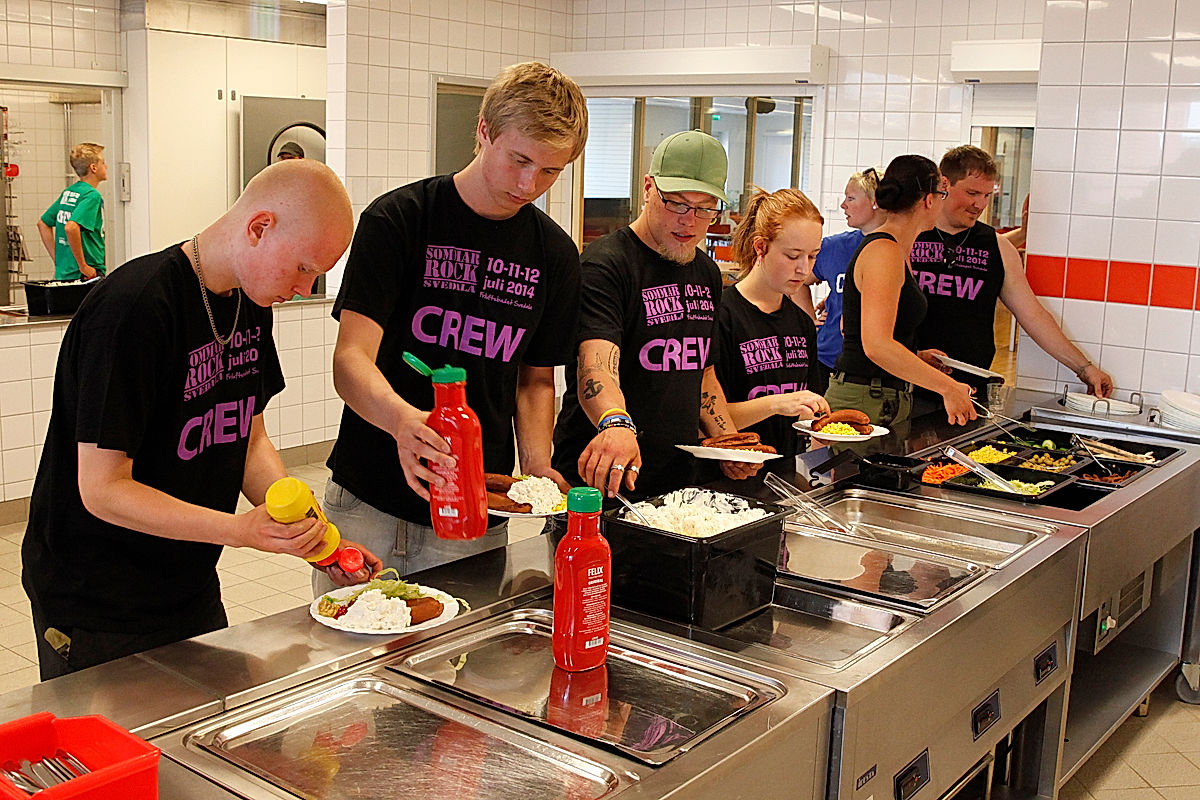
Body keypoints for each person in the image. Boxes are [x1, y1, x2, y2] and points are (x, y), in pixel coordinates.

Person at [22, 159, 381, 681]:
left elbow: (248, 436)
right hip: (98, 601)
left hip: (187, 583)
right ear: (260, 228)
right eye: (304, 268)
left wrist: (311, 535)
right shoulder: (135, 308)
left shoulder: (250, 302)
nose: (305, 289)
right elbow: (101, 489)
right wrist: (239, 530)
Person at [321, 62, 587, 591]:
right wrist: (404, 424)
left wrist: (536, 463)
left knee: (458, 663)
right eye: (520, 160)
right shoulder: (399, 220)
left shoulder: (555, 254)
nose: (529, 184)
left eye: (552, 171)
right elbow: (351, 361)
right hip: (369, 495)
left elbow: (534, 380)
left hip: (475, 504)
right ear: (484, 130)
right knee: (350, 662)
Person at [552, 130, 761, 501]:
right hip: (604, 475)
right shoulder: (606, 266)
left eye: (704, 208)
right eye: (677, 204)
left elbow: (702, 372)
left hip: (676, 478)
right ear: (648, 188)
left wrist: (729, 443)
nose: (689, 221)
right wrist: (616, 422)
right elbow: (595, 365)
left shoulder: (707, 273)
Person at [912, 146, 1112, 398]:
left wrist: (1084, 368)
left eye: (986, 195)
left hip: (970, 388)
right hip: (906, 384)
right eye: (972, 193)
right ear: (944, 183)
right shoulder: (909, 237)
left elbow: (1033, 316)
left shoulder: (998, 247)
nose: (979, 204)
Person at [829, 154, 976, 427]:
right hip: (863, 399)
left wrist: (915, 357)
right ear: (929, 200)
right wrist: (948, 387)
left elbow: (853, 326)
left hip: (882, 396)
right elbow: (875, 346)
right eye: (942, 195)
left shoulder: (895, 250)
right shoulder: (883, 252)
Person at [715, 187, 830, 463]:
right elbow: (706, 416)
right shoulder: (722, 316)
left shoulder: (801, 324)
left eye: (812, 256)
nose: (803, 268)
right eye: (792, 256)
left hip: (785, 472)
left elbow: (808, 410)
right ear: (760, 247)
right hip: (727, 474)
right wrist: (776, 404)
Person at [796, 168, 887, 370]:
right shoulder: (834, 247)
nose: (843, 205)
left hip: (877, 364)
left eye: (851, 198)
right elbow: (798, 281)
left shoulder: (898, 249)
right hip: (828, 358)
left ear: (875, 202)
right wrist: (809, 319)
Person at [37, 143, 107, 281]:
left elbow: (42, 223)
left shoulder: (69, 192)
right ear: (93, 167)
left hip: (65, 272)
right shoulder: (91, 195)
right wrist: (83, 266)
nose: (106, 167)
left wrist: (58, 259)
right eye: (103, 163)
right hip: (85, 274)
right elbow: (71, 227)